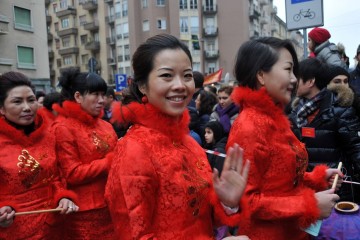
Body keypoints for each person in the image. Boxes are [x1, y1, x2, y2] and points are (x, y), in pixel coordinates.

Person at [105, 34, 250, 240]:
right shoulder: (134, 149)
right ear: (142, 85)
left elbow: (200, 219)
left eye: (187, 75)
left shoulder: (190, 144)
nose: (180, 85)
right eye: (167, 76)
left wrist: (227, 202)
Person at [228, 37, 343, 240]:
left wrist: (317, 179)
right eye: (288, 70)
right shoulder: (249, 126)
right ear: (261, 75)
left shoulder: (275, 119)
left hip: (294, 231)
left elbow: (281, 177)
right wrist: (309, 204)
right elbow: (248, 202)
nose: (293, 79)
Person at [0, 71, 78, 240]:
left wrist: (63, 197)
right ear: (1, 108)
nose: (27, 107)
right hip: (14, 229)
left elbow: (56, 177)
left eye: (31, 100)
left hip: (54, 225)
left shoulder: (48, 134)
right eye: (17, 102)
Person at [53, 68, 117, 239]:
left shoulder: (106, 125)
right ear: (78, 97)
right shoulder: (64, 128)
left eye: (103, 95)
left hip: (112, 203)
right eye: (95, 94)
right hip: (86, 211)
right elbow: (72, 173)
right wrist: (109, 162)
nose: (102, 100)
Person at [288, 58, 360, 203]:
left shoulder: (340, 111)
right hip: (306, 189)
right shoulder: (295, 112)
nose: (293, 81)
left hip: (336, 190)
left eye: (298, 77)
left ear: (310, 82)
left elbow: (356, 151)